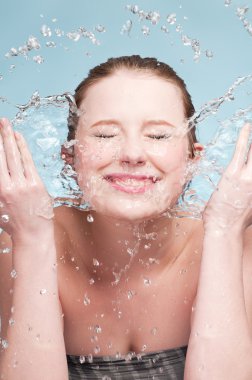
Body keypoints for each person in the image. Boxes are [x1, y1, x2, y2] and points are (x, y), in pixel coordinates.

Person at [0, 55, 252, 380]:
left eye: (158, 136)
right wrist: (32, 241)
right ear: (70, 157)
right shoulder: (15, 245)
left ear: (193, 159)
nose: (132, 154)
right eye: (105, 135)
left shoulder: (238, 246)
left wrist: (224, 230)